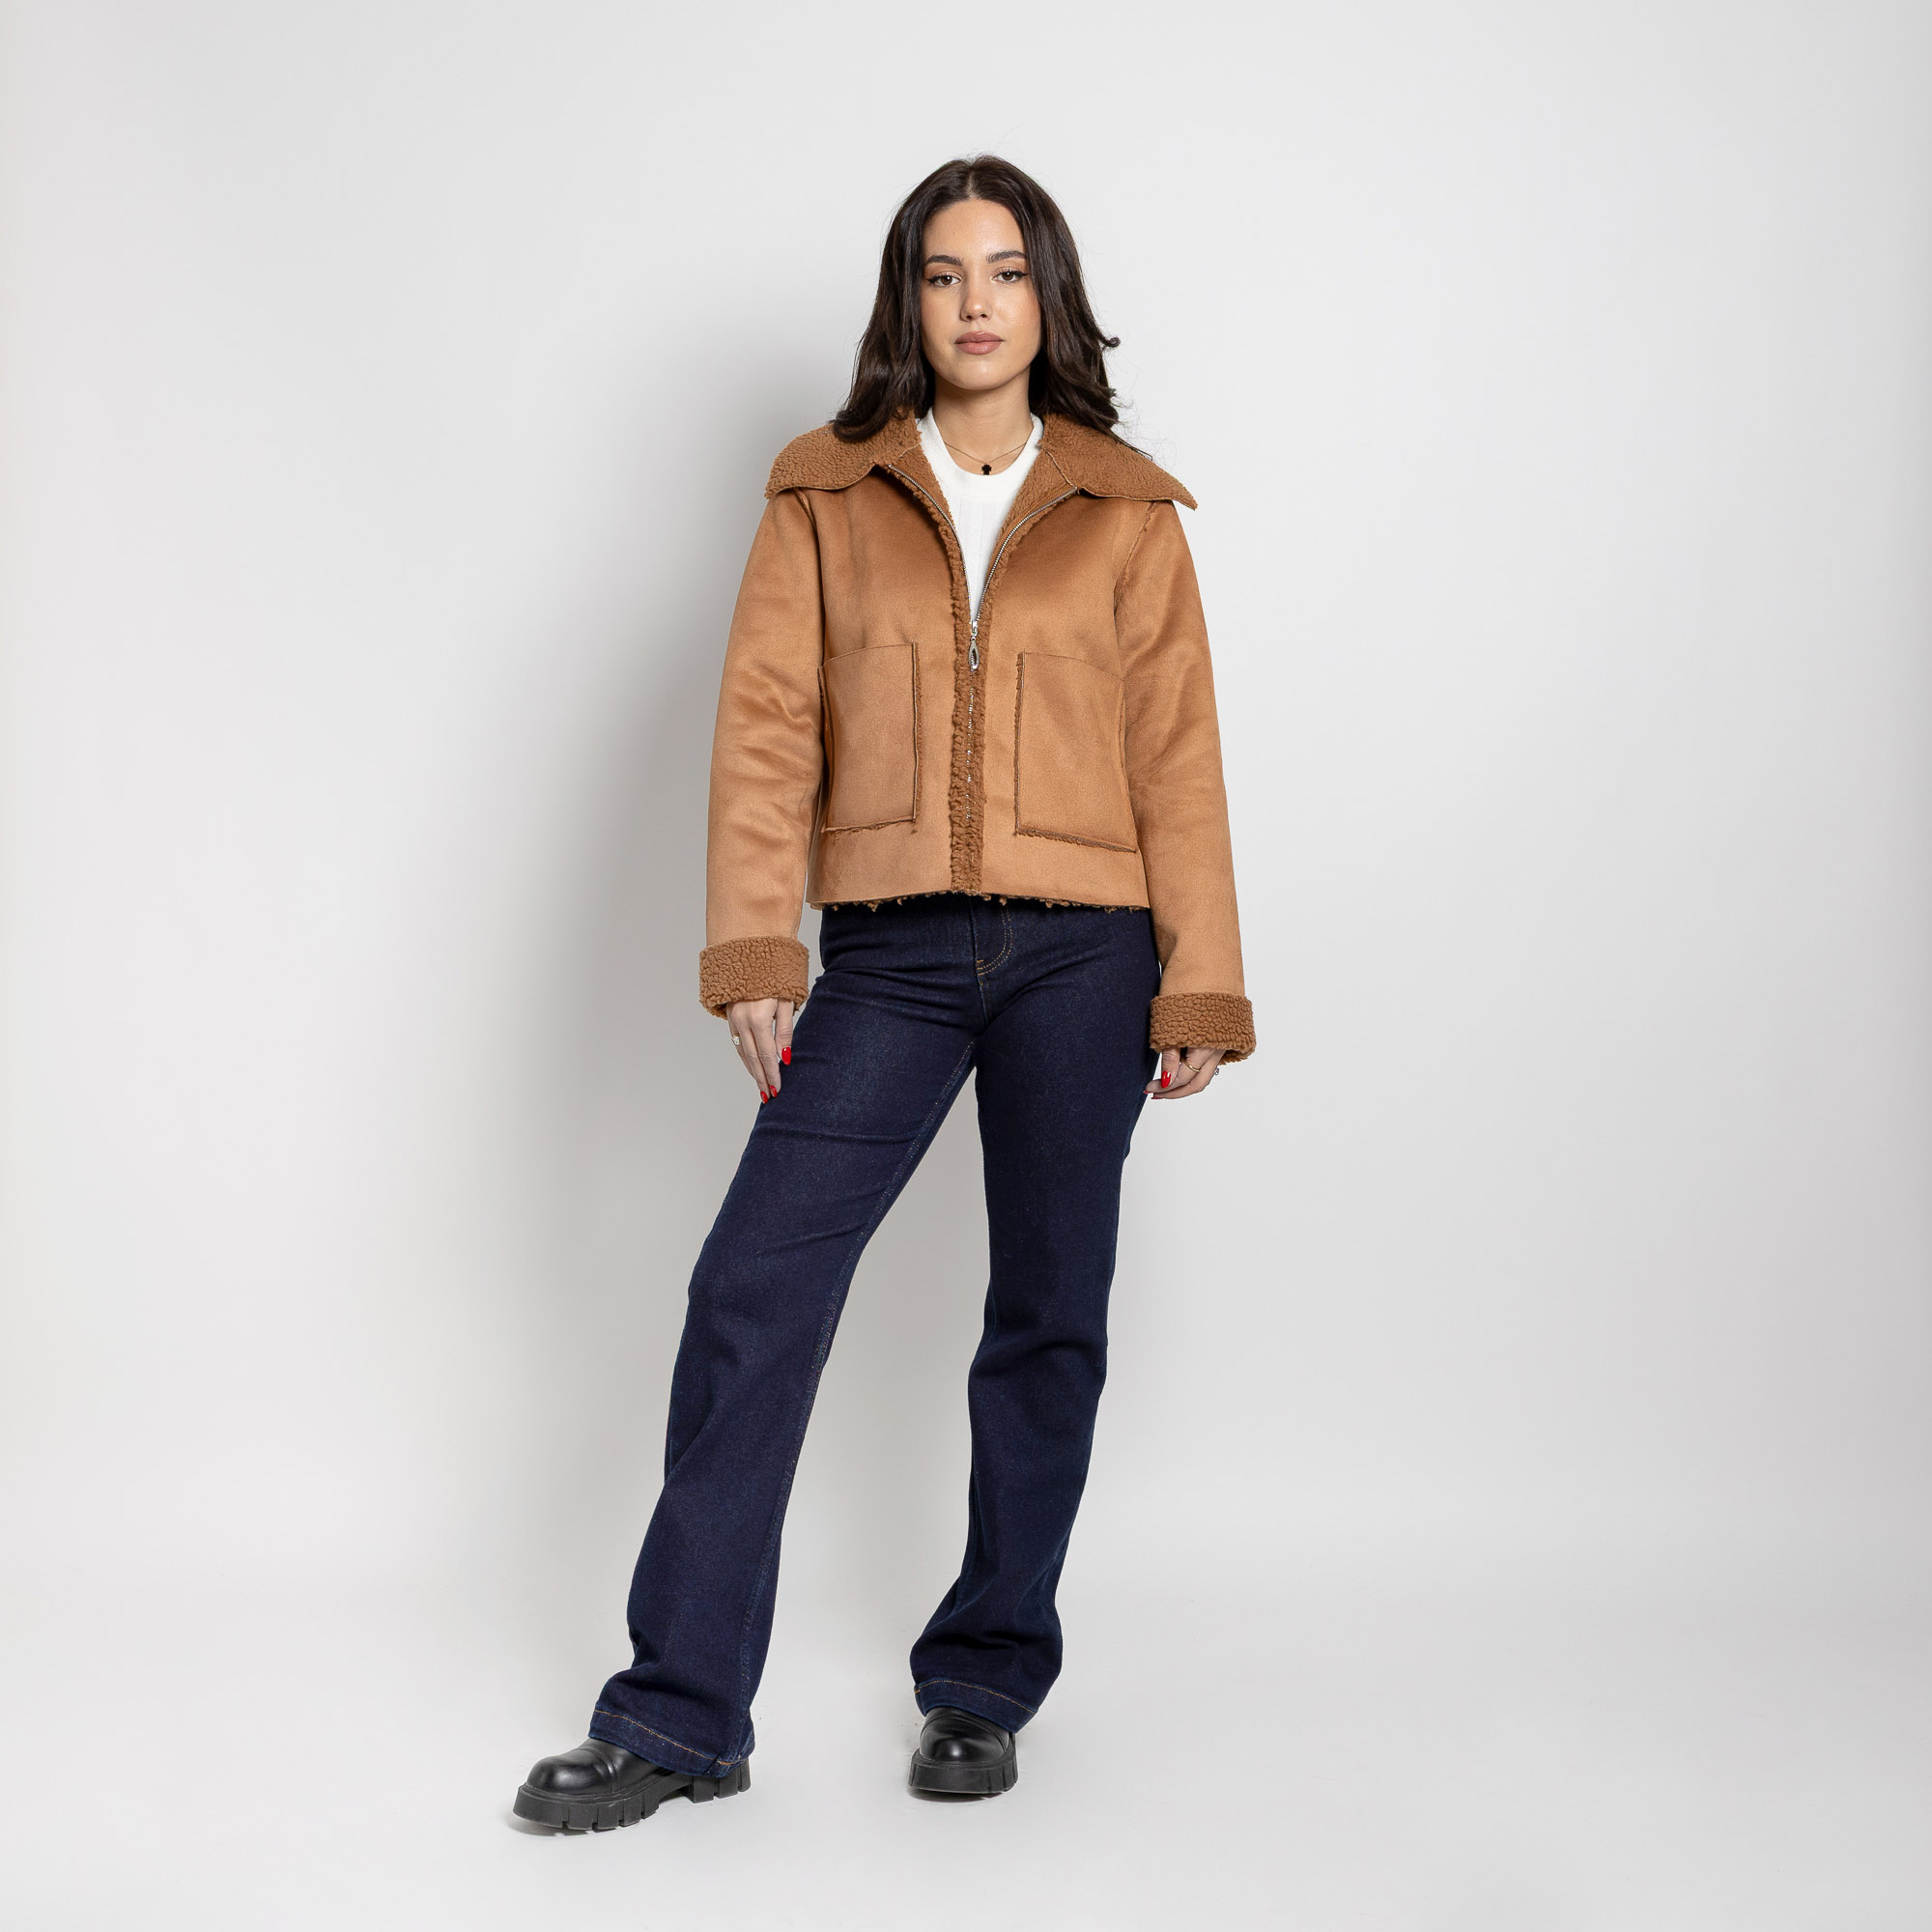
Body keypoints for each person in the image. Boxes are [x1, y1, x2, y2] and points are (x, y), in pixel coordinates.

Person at [513, 155, 1253, 1832]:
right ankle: (683, 1711)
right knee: (752, 1285)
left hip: (1089, 951)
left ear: (1049, 295)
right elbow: (768, 721)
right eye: (942, 272)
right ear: (906, 300)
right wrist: (756, 947)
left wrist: (1199, 980)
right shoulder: (824, 490)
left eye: (1006, 271)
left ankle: (984, 1681)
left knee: (1047, 1311)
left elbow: (1178, 754)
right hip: (895, 956)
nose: (976, 302)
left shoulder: (1128, 508)